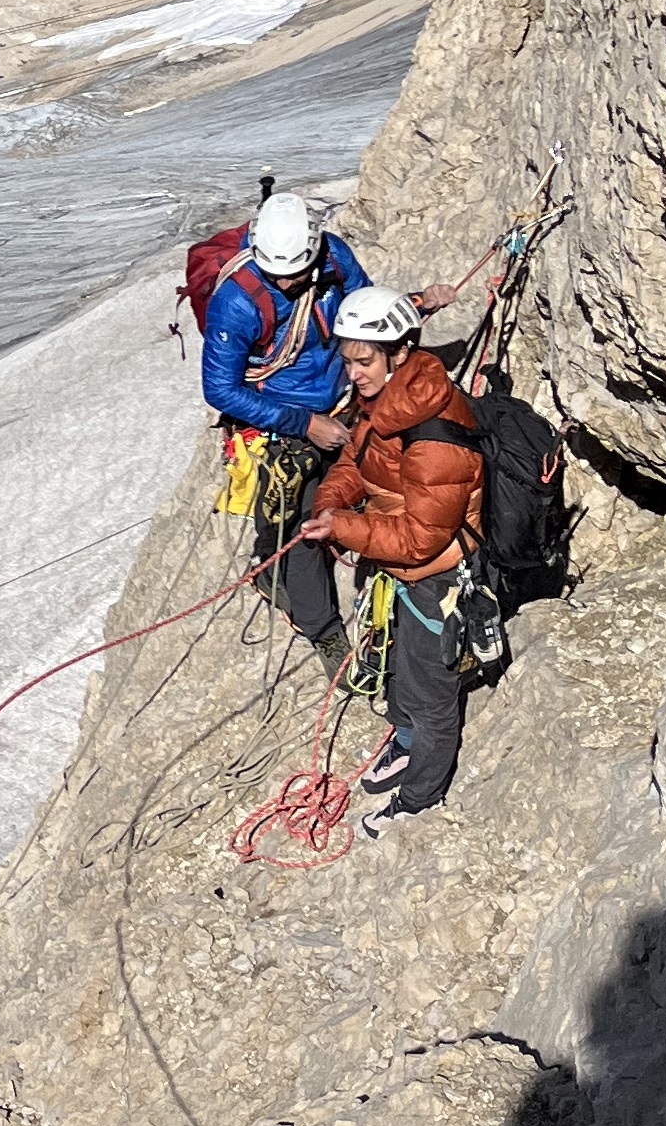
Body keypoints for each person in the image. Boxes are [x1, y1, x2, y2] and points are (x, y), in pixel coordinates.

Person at [300, 286, 486, 819]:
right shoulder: (385, 402)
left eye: (364, 361)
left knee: (431, 697)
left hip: (437, 574)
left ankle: (419, 800)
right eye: (348, 361)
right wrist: (330, 504)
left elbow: (422, 539)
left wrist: (344, 527)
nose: (353, 373)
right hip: (402, 565)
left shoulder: (433, 437)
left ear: (401, 352)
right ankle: (405, 743)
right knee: (402, 668)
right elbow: (356, 462)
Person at [197, 190, 371, 671]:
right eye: (277, 273)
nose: (287, 281)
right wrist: (306, 423)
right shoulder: (237, 300)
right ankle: (323, 629)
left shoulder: (333, 259)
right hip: (282, 421)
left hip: (342, 399)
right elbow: (220, 389)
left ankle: (277, 566)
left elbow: (361, 309)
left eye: (295, 270)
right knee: (305, 527)